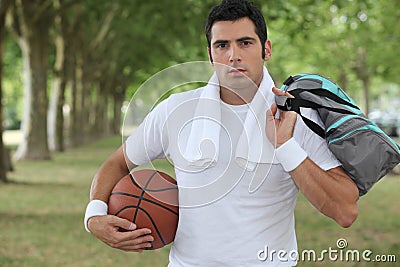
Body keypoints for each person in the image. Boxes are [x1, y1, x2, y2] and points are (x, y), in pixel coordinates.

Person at [84, 0, 359, 266]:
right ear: (210, 54)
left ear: (267, 49)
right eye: (222, 45)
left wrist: (286, 145)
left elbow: (345, 211)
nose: (233, 55)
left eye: (245, 43)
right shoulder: (175, 110)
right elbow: (118, 163)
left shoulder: (295, 117)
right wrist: (94, 214)